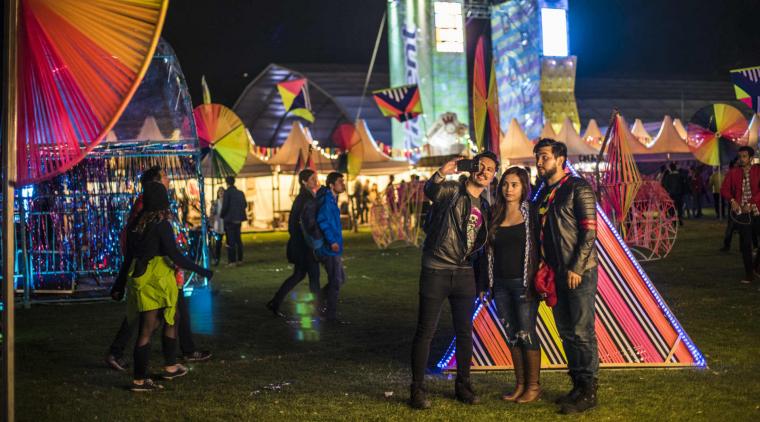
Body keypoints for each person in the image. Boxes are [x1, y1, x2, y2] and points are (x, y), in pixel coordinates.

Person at [410, 151, 497, 410]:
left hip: (464, 273)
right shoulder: (451, 190)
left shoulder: (485, 207)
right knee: (426, 331)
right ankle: (417, 389)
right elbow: (430, 190)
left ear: (493, 176)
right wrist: (442, 171)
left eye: (490, 169)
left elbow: (481, 247)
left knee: (464, 333)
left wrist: (482, 280)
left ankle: (463, 385)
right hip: (436, 267)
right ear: (471, 168)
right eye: (480, 166)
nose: (484, 172)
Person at [107, 167, 212, 374]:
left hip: (147, 273)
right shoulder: (152, 215)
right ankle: (164, 364)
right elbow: (168, 252)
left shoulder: (145, 215)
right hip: (159, 275)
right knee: (159, 321)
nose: (169, 180)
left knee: (158, 321)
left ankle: (165, 363)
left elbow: (132, 252)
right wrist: (201, 270)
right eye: (165, 176)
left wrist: (119, 284)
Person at [533, 139, 598, 414]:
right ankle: (576, 384)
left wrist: (577, 267)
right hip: (555, 272)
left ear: (560, 159)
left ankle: (589, 390)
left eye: (544, 157)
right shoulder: (543, 193)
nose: (538, 162)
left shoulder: (578, 188)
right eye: (537, 157)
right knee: (567, 332)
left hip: (578, 272)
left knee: (582, 332)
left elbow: (589, 233)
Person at [478, 167, 541, 403]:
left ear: (524, 187)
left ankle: (533, 386)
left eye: (514, 184)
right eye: (505, 184)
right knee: (512, 336)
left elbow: (540, 246)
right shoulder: (495, 213)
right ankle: (520, 385)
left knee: (526, 334)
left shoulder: (531, 213)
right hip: (500, 286)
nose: (508, 189)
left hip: (524, 284)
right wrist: (485, 284)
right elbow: (486, 252)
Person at [266, 169, 321, 318]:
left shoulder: (307, 196)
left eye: (315, 178)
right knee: (314, 277)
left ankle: (275, 302)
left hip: (303, 245)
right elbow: (294, 224)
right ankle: (317, 310)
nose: (315, 181)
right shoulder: (304, 198)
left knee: (299, 275)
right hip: (304, 246)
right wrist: (306, 242)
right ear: (304, 182)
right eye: (312, 179)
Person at [720, 146, 760, 284]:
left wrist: (751, 202)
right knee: (745, 243)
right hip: (742, 213)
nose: (741, 159)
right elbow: (724, 189)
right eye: (740, 156)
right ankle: (749, 274)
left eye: (744, 156)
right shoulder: (734, 172)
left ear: (750, 158)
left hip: (757, 210)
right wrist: (732, 201)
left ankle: (755, 266)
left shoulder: (757, 170)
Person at [314, 172, 347, 322]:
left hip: (334, 247)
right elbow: (322, 221)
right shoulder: (327, 201)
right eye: (340, 181)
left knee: (339, 279)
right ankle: (330, 315)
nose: (343, 183)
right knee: (336, 281)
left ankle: (317, 301)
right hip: (329, 248)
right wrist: (332, 241)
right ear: (332, 185)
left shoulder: (332, 199)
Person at [221, 176, 247, 266]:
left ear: (227, 183)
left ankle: (232, 261)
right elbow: (245, 204)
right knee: (238, 240)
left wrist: (222, 215)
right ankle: (240, 259)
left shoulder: (227, 193)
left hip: (229, 219)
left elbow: (225, 206)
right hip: (238, 219)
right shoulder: (240, 193)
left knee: (230, 241)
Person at [210, 187, 226, 266]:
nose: (221, 193)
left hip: (226, 223)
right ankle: (217, 258)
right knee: (218, 243)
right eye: (220, 192)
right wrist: (212, 224)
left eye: (222, 191)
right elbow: (212, 213)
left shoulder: (227, 202)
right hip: (218, 223)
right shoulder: (216, 202)